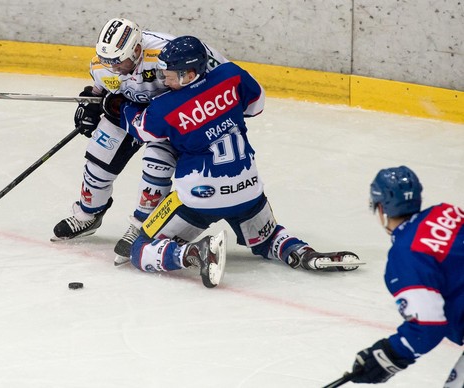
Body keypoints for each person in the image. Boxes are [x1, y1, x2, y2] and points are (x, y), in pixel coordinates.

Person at [117, 36, 362, 288]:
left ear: (188, 75)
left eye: (168, 74)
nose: (162, 79)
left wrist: (119, 106)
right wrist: (222, 111)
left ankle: (192, 253)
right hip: (248, 191)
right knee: (267, 240)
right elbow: (256, 105)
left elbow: (140, 128)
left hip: (198, 200)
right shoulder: (231, 75)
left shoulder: (164, 107)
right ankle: (300, 252)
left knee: (139, 249)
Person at [52, 18, 228, 267]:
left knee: (156, 166)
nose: (114, 68)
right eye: (108, 61)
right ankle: (88, 214)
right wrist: (91, 101)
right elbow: (101, 87)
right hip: (126, 113)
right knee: (97, 161)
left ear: (136, 50)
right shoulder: (104, 64)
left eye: (119, 61)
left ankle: (141, 226)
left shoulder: (164, 52)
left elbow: (221, 74)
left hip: (168, 122)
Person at [346, 166, 464, 386]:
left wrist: (388, 354)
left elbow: (428, 325)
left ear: (381, 208)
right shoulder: (447, 212)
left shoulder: (406, 255)